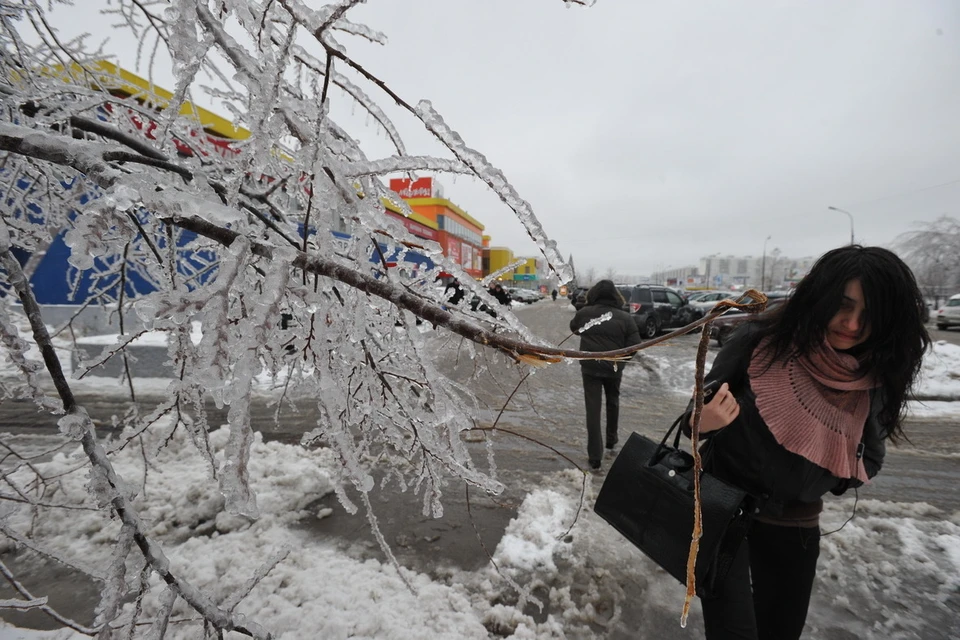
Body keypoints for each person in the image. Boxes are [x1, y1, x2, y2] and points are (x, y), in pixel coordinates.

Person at [683, 246, 930, 640]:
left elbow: (872, 458)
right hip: (725, 512)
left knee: (780, 632)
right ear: (819, 298)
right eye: (843, 306)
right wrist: (704, 420)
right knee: (734, 632)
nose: (851, 324)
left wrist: (831, 471)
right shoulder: (758, 341)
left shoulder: (873, 376)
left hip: (794, 528)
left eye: (868, 315)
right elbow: (694, 415)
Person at [569, 280, 641, 470]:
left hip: (590, 368)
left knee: (592, 411)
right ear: (616, 296)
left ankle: (595, 457)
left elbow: (574, 329)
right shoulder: (625, 318)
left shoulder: (584, 313)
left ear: (593, 294)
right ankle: (611, 441)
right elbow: (635, 344)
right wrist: (621, 361)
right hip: (614, 369)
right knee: (613, 402)